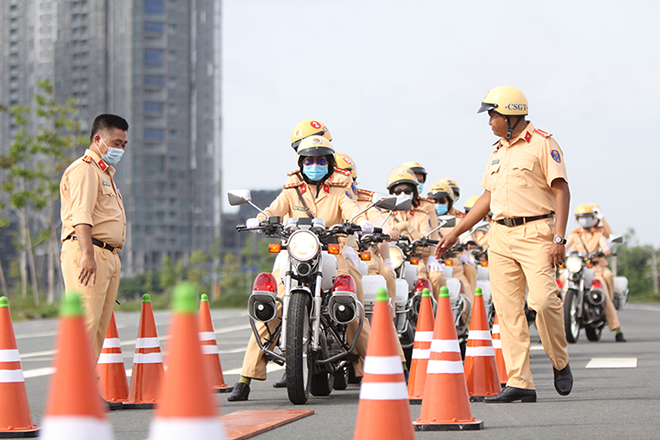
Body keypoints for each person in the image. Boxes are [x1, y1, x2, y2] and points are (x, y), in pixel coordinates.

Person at [435, 85, 573, 403]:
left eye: (493, 115)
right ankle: (520, 381)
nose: (489, 121)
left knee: (543, 302)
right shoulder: (498, 150)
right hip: (499, 236)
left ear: (510, 116)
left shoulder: (543, 144)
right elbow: (487, 197)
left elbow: (561, 191)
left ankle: (560, 360)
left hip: (537, 233)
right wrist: (456, 232)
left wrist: (559, 238)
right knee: (508, 312)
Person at [227, 136, 375, 401]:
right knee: (270, 307)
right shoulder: (291, 190)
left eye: (320, 161)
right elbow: (273, 210)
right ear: (301, 163)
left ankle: (376, 370)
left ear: (329, 165)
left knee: (351, 307)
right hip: (294, 254)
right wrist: (259, 219)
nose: (314, 165)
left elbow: (352, 211)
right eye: (309, 160)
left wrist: (361, 222)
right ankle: (245, 378)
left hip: (332, 254)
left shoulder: (340, 190)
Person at [60, 114, 128, 365]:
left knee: (99, 326)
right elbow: (81, 214)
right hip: (89, 251)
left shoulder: (105, 173)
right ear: (98, 139)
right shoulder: (85, 169)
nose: (120, 149)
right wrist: (88, 255)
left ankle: (86, 386)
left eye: (123, 144)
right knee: (86, 323)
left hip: (108, 255)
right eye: (116, 142)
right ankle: (76, 391)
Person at [566, 205, 626, 342]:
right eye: (582, 218)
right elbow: (565, 247)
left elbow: (605, 243)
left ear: (594, 218)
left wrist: (605, 251)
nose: (585, 220)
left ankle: (617, 329)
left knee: (603, 294)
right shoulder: (574, 235)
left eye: (588, 217)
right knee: (559, 289)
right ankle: (551, 329)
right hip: (577, 269)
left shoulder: (599, 234)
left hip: (595, 269)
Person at [399, 163, 446, 298]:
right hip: (397, 254)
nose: (418, 183)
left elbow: (433, 233)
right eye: (415, 179)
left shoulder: (427, 207)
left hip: (422, 255)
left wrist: (432, 256)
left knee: (437, 277)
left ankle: (439, 314)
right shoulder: (390, 206)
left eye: (420, 181)